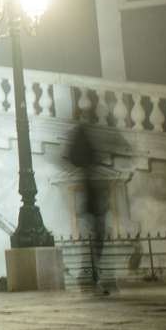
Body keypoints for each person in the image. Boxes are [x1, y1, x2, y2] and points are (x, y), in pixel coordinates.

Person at [67, 124, 111, 294]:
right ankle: (92, 279)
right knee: (95, 244)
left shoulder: (87, 171)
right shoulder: (90, 172)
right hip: (94, 212)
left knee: (93, 245)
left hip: (92, 211)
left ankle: (92, 279)